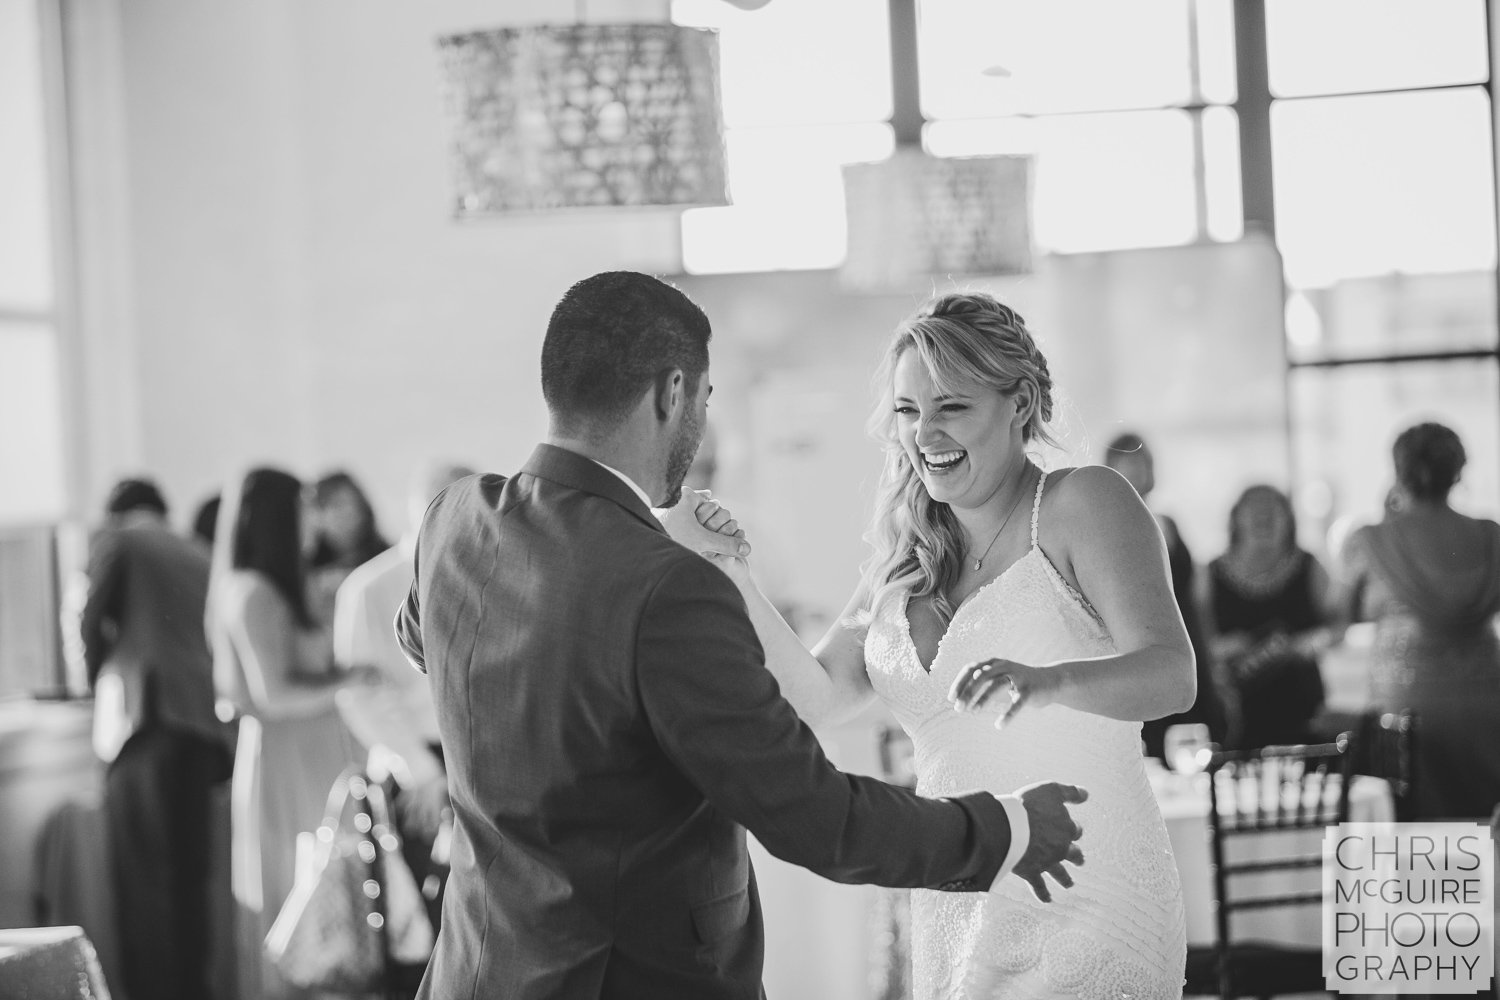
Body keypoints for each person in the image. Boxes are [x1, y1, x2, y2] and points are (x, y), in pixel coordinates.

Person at [395, 271, 1087, 1000]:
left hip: (475, 973)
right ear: (672, 393)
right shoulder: (666, 586)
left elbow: (431, 646)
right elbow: (814, 816)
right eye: (704, 395)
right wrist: (1003, 829)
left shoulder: (453, 522)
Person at [670, 292, 1191, 999]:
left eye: (952, 407)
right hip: (959, 886)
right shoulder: (903, 557)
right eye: (909, 411)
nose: (925, 434)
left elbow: (1172, 674)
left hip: (1083, 878)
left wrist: (1052, 681)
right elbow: (817, 698)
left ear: (1020, 401)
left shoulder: (1084, 502)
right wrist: (730, 569)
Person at [208, 466, 364, 1000]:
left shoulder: (278, 587)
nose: (313, 520)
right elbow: (272, 696)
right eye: (303, 508)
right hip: (286, 761)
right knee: (301, 896)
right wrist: (350, 683)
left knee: (328, 894)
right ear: (278, 517)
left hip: (311, 756)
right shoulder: (253, 592)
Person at [79, 477, 231, 1000]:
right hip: (201, 728)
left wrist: (91, 678)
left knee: (144, 886)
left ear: (116, 512)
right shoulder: (200, 552)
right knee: (189, 883)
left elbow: (89, 618)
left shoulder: (121, 539)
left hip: (144, 721)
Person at [334, 459, 475, 929]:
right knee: (415, 918)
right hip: (410, 766)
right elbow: (360, 696)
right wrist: (423, 770)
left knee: (475, 915)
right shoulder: (370, 587)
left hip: (474, 758)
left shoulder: (488, 572)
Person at [1340, 422, 1500, 819]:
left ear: (1398, 470)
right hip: (1485, 693)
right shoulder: (1491, 535)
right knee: (1480, 826)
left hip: (1405, 702)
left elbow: (1341, 613)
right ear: (1458, 471)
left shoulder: (1371, 540)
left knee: (1413, 837)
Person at [1103, 432, 1230, 756]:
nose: (1135, 472)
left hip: (1189, 636)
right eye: (1126, 464)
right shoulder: (1106, 526)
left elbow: (1196, 596)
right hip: (1145, 643)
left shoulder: (1168, 522)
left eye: (1141, 464)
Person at [1203, 485, 1334, 749]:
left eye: (1273, 510)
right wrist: (1221, 648)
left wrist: (1310, 642)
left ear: (1288, 520)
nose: (1263, 518)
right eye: (1254, 509)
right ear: (1236, 520)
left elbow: (1336, 625)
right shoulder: (1210, 573)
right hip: (1236, 711)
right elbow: (1198, 640)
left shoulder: (1310, 565)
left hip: (1301, 705)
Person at [306, 470, 390, 624]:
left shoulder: (386, 558)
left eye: (345, 503)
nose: (339, 513)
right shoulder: (307, 567)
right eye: (330, 505)